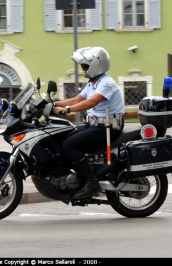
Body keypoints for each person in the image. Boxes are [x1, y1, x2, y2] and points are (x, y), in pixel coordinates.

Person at [53, 47, 125, 200]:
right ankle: (75, 174)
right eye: (83, 67)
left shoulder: (106, 83)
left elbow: (91, 102)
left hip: (108, 128)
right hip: (94, 126)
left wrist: (66, 110)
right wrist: (52, 103)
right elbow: (75, 100)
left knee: (70, 145)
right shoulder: (93, 83)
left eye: (85, 67)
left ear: (95, 66)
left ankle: (91, 182)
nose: (83, 70)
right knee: (63, 135)